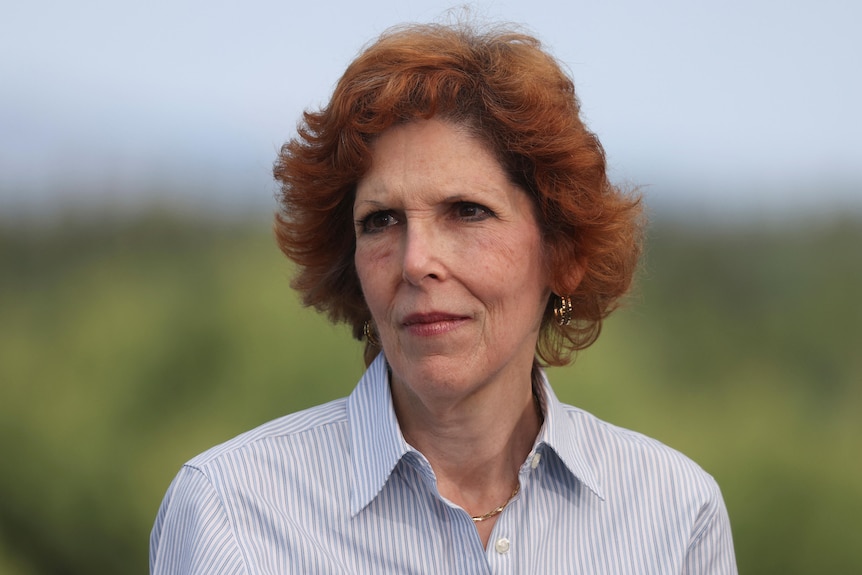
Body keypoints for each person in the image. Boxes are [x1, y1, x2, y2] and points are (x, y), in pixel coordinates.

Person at [150, 21, 737, 574]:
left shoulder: (674, 514)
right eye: (380, 221)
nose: (415, 262)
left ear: (563, 253)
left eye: (466, 212)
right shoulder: (228, 512)